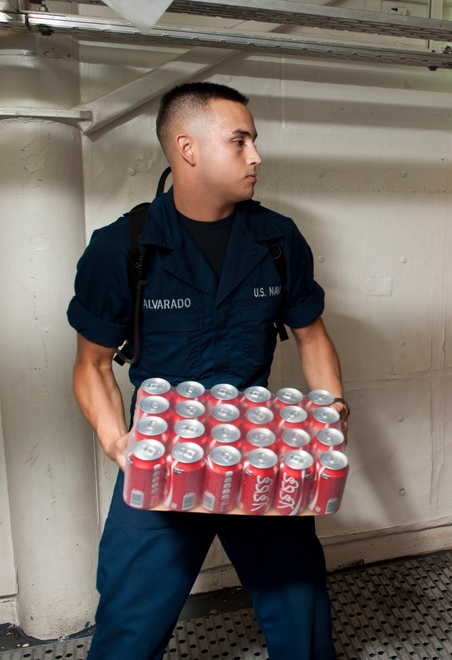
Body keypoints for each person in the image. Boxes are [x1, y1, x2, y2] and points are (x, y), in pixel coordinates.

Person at [68, 82, 346, 660]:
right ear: (187, 148)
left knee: (303, 615)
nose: (256, 156)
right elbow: (92, 364)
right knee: (128, 623)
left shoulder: (277, 239)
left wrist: (332, 412)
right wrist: (119, 442)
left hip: (260, 455)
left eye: (255, 140)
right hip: (161, 461)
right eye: (239, 140)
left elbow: (312, 334)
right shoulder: (123, 248)